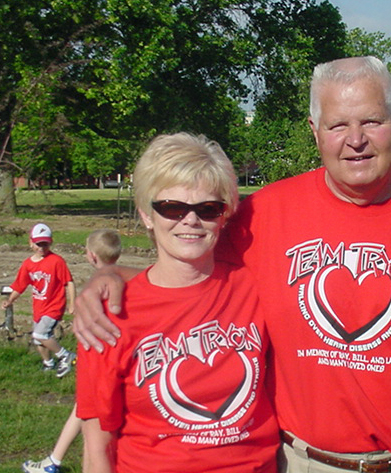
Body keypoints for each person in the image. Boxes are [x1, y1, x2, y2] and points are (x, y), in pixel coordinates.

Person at [74, 57, 391, 473]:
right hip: (301, 461)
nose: (356, 139)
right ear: (314, 130)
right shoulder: (262, 215)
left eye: (372, 121)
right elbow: (187, 264)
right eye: (337, 125)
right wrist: (112, 275)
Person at [76, 133, 278, 473]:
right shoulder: (109, 314)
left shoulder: (254, 287)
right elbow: (98, 443)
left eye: (208, 209)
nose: (190, 220)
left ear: (224, 216)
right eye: (172, 207)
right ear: (147, 215)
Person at [22, 229, 123, 473]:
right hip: (119, 364)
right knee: (83, 411)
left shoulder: (97, 290)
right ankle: (53, 461)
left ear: (91, 255)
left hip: (100, 365)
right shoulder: (127, 283)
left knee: (94, 433)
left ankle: (56, 462)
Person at [2, 223, 76, 378]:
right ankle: (48, 363)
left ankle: (66, 355)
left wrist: (72, 303)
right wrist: (10, 300)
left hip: (54, 306)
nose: (41, 248)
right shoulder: (28, 265)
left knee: (40, 334)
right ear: (31, 242)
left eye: (45, 244)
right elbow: (20, 285)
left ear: (51, 242)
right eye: (38, 244)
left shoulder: (56, 261)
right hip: (39, 307)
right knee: (38, 340)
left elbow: (69, 282)